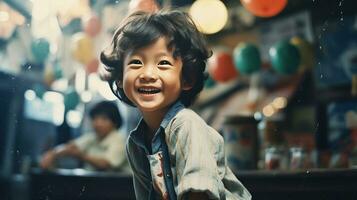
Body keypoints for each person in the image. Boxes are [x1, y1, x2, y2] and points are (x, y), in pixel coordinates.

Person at [100, 10, 252, 199]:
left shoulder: (186, 125)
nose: (147, 74)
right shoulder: (135, 142)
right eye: (136, 62)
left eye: (163, 63)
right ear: (121, 78)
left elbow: (199, 194)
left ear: (187, 79)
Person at [40, 101, 129, 172]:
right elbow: (70, 147)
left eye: (104, 119)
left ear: (115, 122)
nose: (98, 123)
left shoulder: (119, 140)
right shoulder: (91, 137)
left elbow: (105, 164)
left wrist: (81, 156)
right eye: (95, 119)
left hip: (116, 188)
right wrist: (52, 154)